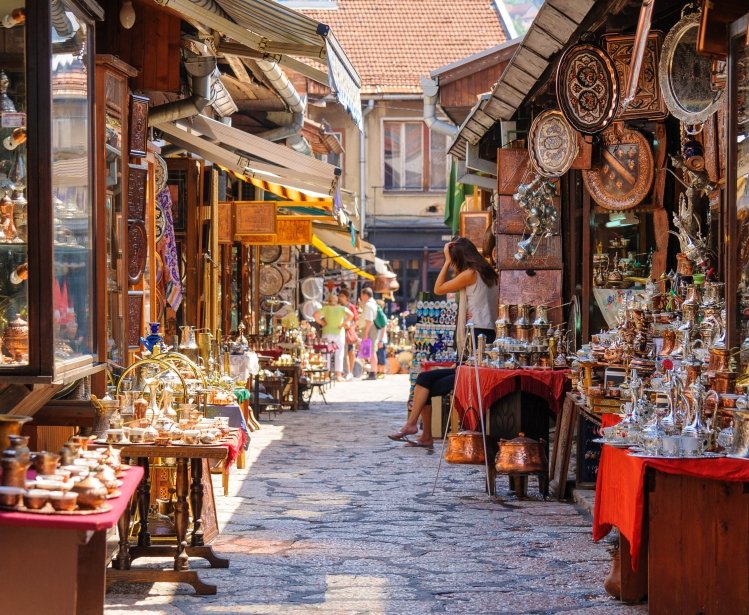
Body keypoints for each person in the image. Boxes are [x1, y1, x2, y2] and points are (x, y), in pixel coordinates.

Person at [389, 236, 498, 447]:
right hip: (486, 335)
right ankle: (421, 432)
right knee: (426, 379)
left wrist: (446, 261)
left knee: (430, 382)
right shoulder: (489, 275)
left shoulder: (470, 274)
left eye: (453, 261)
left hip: (476, 338)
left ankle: (415, 427)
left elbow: (438, 289)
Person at [314, 292, 353, 381]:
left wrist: (322, 323)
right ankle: (338, 375)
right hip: (339, 332)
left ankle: (326, 375)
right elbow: (352, 315)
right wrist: (344, 323)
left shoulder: (325, 308)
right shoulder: (342, 308)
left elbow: (315, 316)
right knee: (339, 353)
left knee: (326, 354)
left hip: (327, 332)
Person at [360, 286, 381, 380]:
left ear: (365, 295)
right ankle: (373, 372)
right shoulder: (374, 303)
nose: (361, 297)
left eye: (362, 294)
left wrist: (365, 334)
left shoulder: (368, 305)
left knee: (372, 351)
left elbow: (369, 321)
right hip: (372, 329)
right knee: (372, 351)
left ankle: (373, 372)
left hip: (370, 329)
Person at [338, 288, 359, 380]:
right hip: (341, 331)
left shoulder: (351, 307)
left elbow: (356, 320)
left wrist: (351, 328)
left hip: (348, 331)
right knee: (343, 352)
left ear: (347, 298)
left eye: (342, 296)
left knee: (350, 351)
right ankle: (345, 371)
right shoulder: (338, 306)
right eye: (340, 296)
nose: (340, 298)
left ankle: (350, 371)